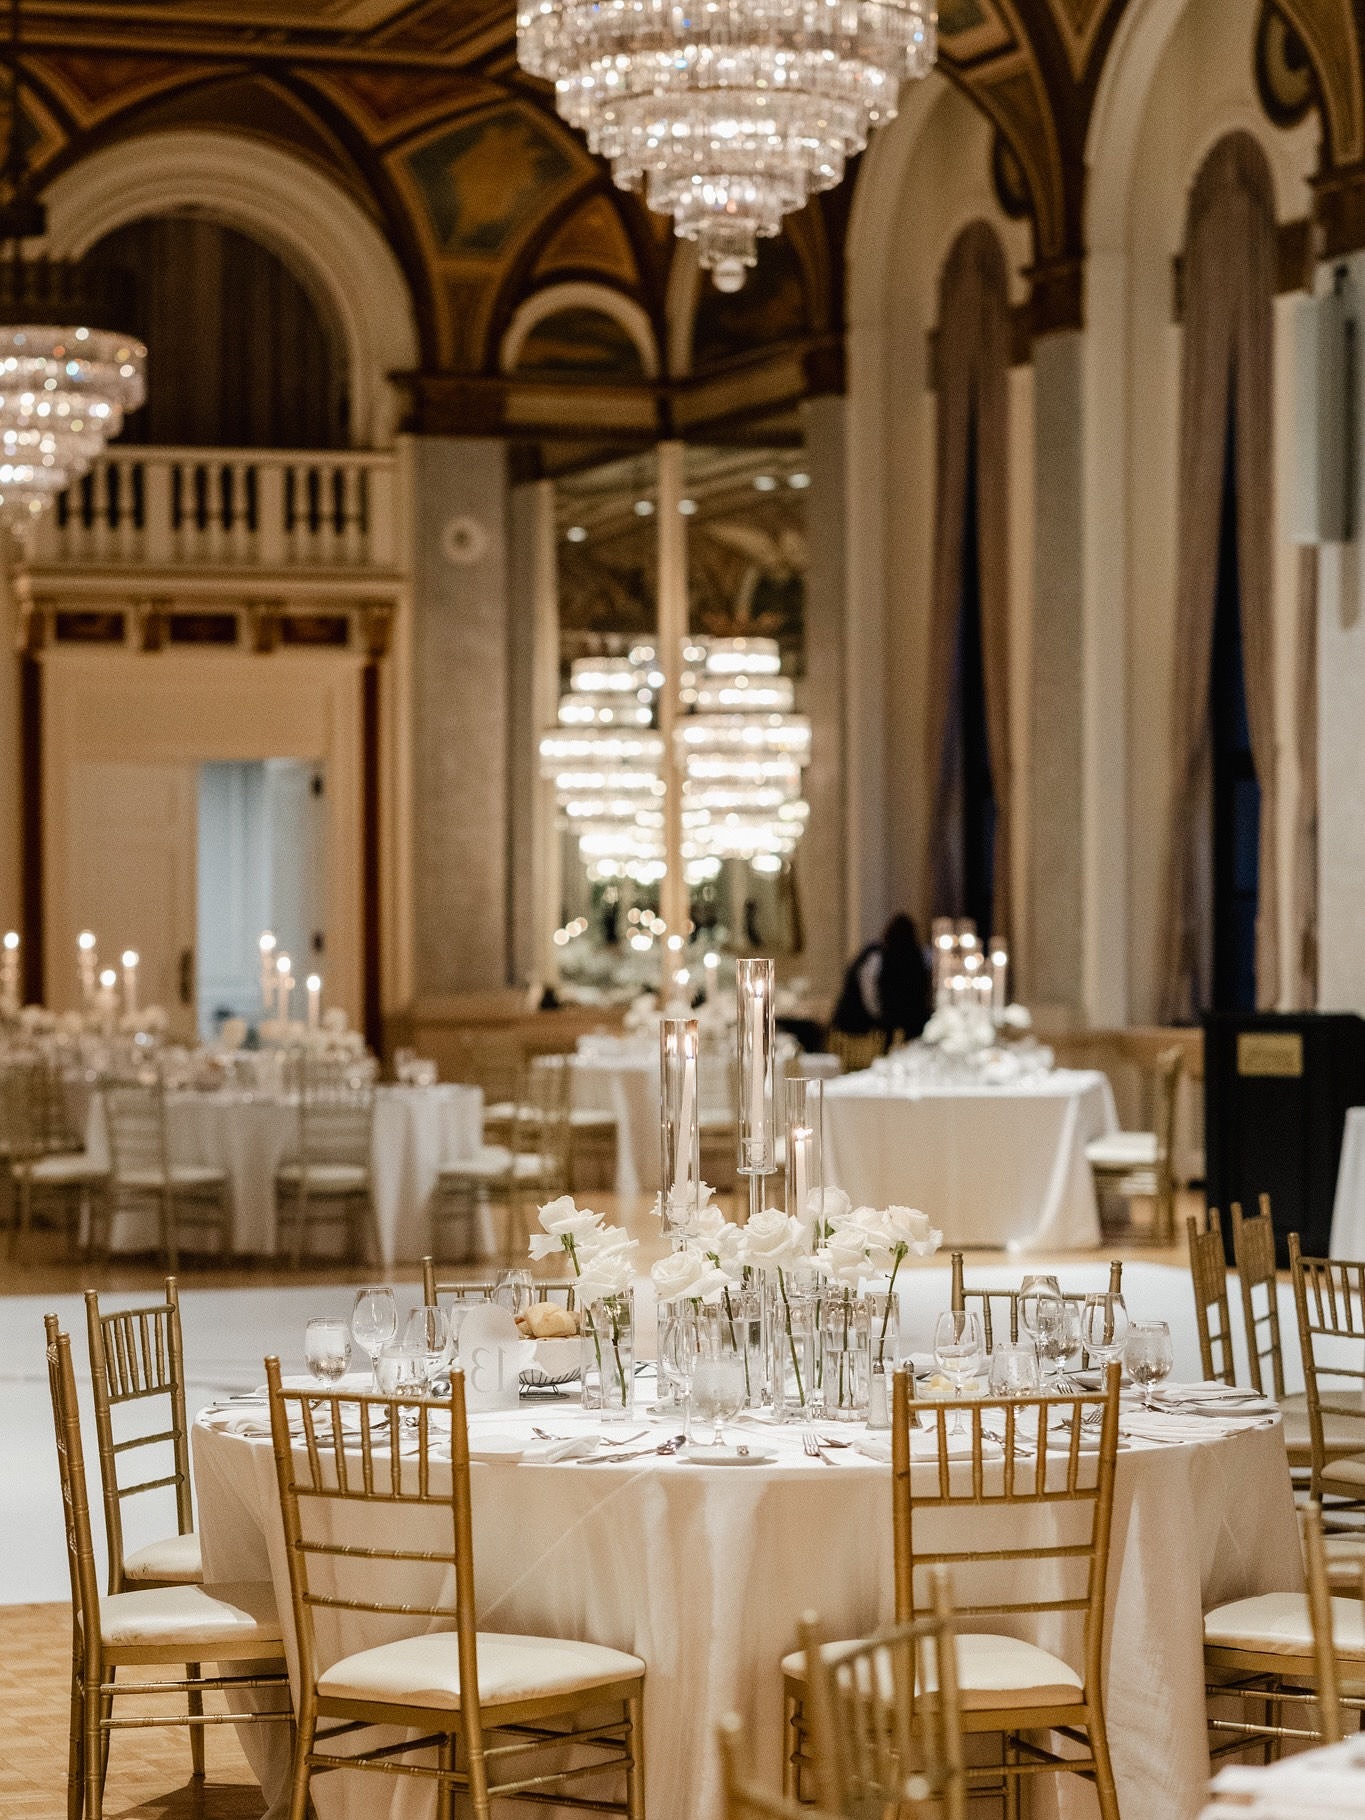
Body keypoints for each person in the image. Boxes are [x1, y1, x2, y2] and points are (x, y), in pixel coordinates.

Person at [831, 913, 931, 1042]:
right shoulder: (877, 957)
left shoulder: (915, 958)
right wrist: (883, 1023)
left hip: (884, 1024)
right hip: (860, 1030)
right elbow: (870, 998)